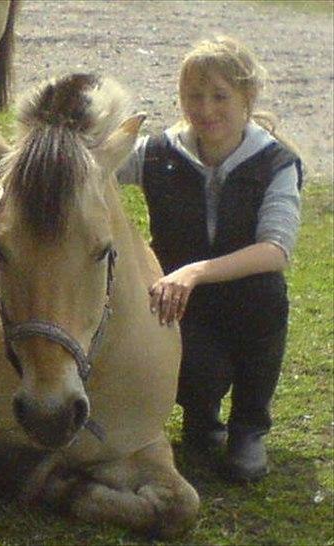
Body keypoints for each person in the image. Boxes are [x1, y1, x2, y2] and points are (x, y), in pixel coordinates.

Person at [116, 36, 303, 482]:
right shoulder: (157, 153)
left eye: (220, 96)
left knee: (268, 295)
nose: (206, 109)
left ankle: (248, 430)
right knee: (203, 372)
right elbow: (91, 164)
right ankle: (201, 421)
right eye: (194, 96)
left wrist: (194, 272)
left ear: (247, 98)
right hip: (178, 305)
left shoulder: (277, 163)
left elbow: (276, 250)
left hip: (242, 298)